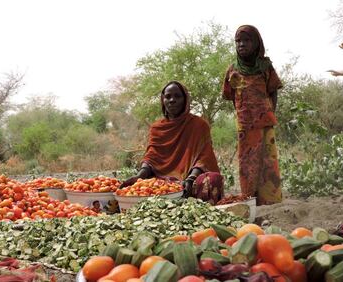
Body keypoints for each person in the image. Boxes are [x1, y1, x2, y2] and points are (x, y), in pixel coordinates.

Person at [120, 81, 224, 205]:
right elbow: (151, 157)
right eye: (168, 96)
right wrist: (140, 176)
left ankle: (205, 217)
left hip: (191, 179)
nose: (172, 100)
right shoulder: (156, 128)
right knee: (136, 188)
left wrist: (191, 179)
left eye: (177, 96)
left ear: (185, 100)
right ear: (163, 100)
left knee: (212, 180)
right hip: (162, 181)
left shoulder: (199, 125)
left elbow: (204, 158)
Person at [222, 25, 283, 206]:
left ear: (256, 43)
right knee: (247, 161)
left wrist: (269, 111)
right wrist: (243, 113)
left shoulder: (266, 66)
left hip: (265, 121)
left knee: (267, 160)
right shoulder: (233, 69)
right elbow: (231, 96)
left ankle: (270, 200)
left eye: (246, 41)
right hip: (245, 124)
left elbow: (273, 91)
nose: (241, 44)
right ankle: (249, 198)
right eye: (238, 41)